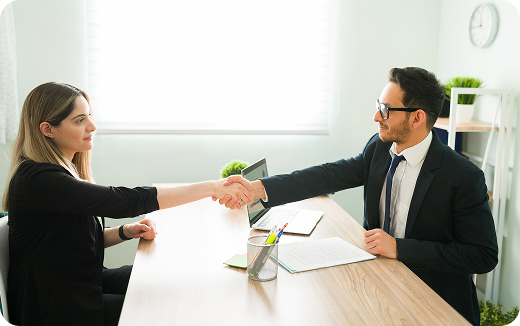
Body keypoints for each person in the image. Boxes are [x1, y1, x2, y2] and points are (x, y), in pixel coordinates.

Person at [218, 67, 498, 325]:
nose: (377, 117)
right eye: (379, 107)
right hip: (379, 283)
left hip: (435, 301)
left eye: (386, 110)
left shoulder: (463, 176)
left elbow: (483, 255)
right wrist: (259, 188)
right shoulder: (379, 147)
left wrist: (400, 248)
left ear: (417, 117)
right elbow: (328, 175)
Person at [1, 82, 252, 326]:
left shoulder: (60, 173)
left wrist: (124, 232)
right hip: (54, 306)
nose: (92, 126)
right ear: (48, 129)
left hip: (80, 283)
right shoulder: (38, 179)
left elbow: (68, 240)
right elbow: (125, 201)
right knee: (165, 304)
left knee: (164, 278)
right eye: (79, 120)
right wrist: (211, 187)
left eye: (89, 116)